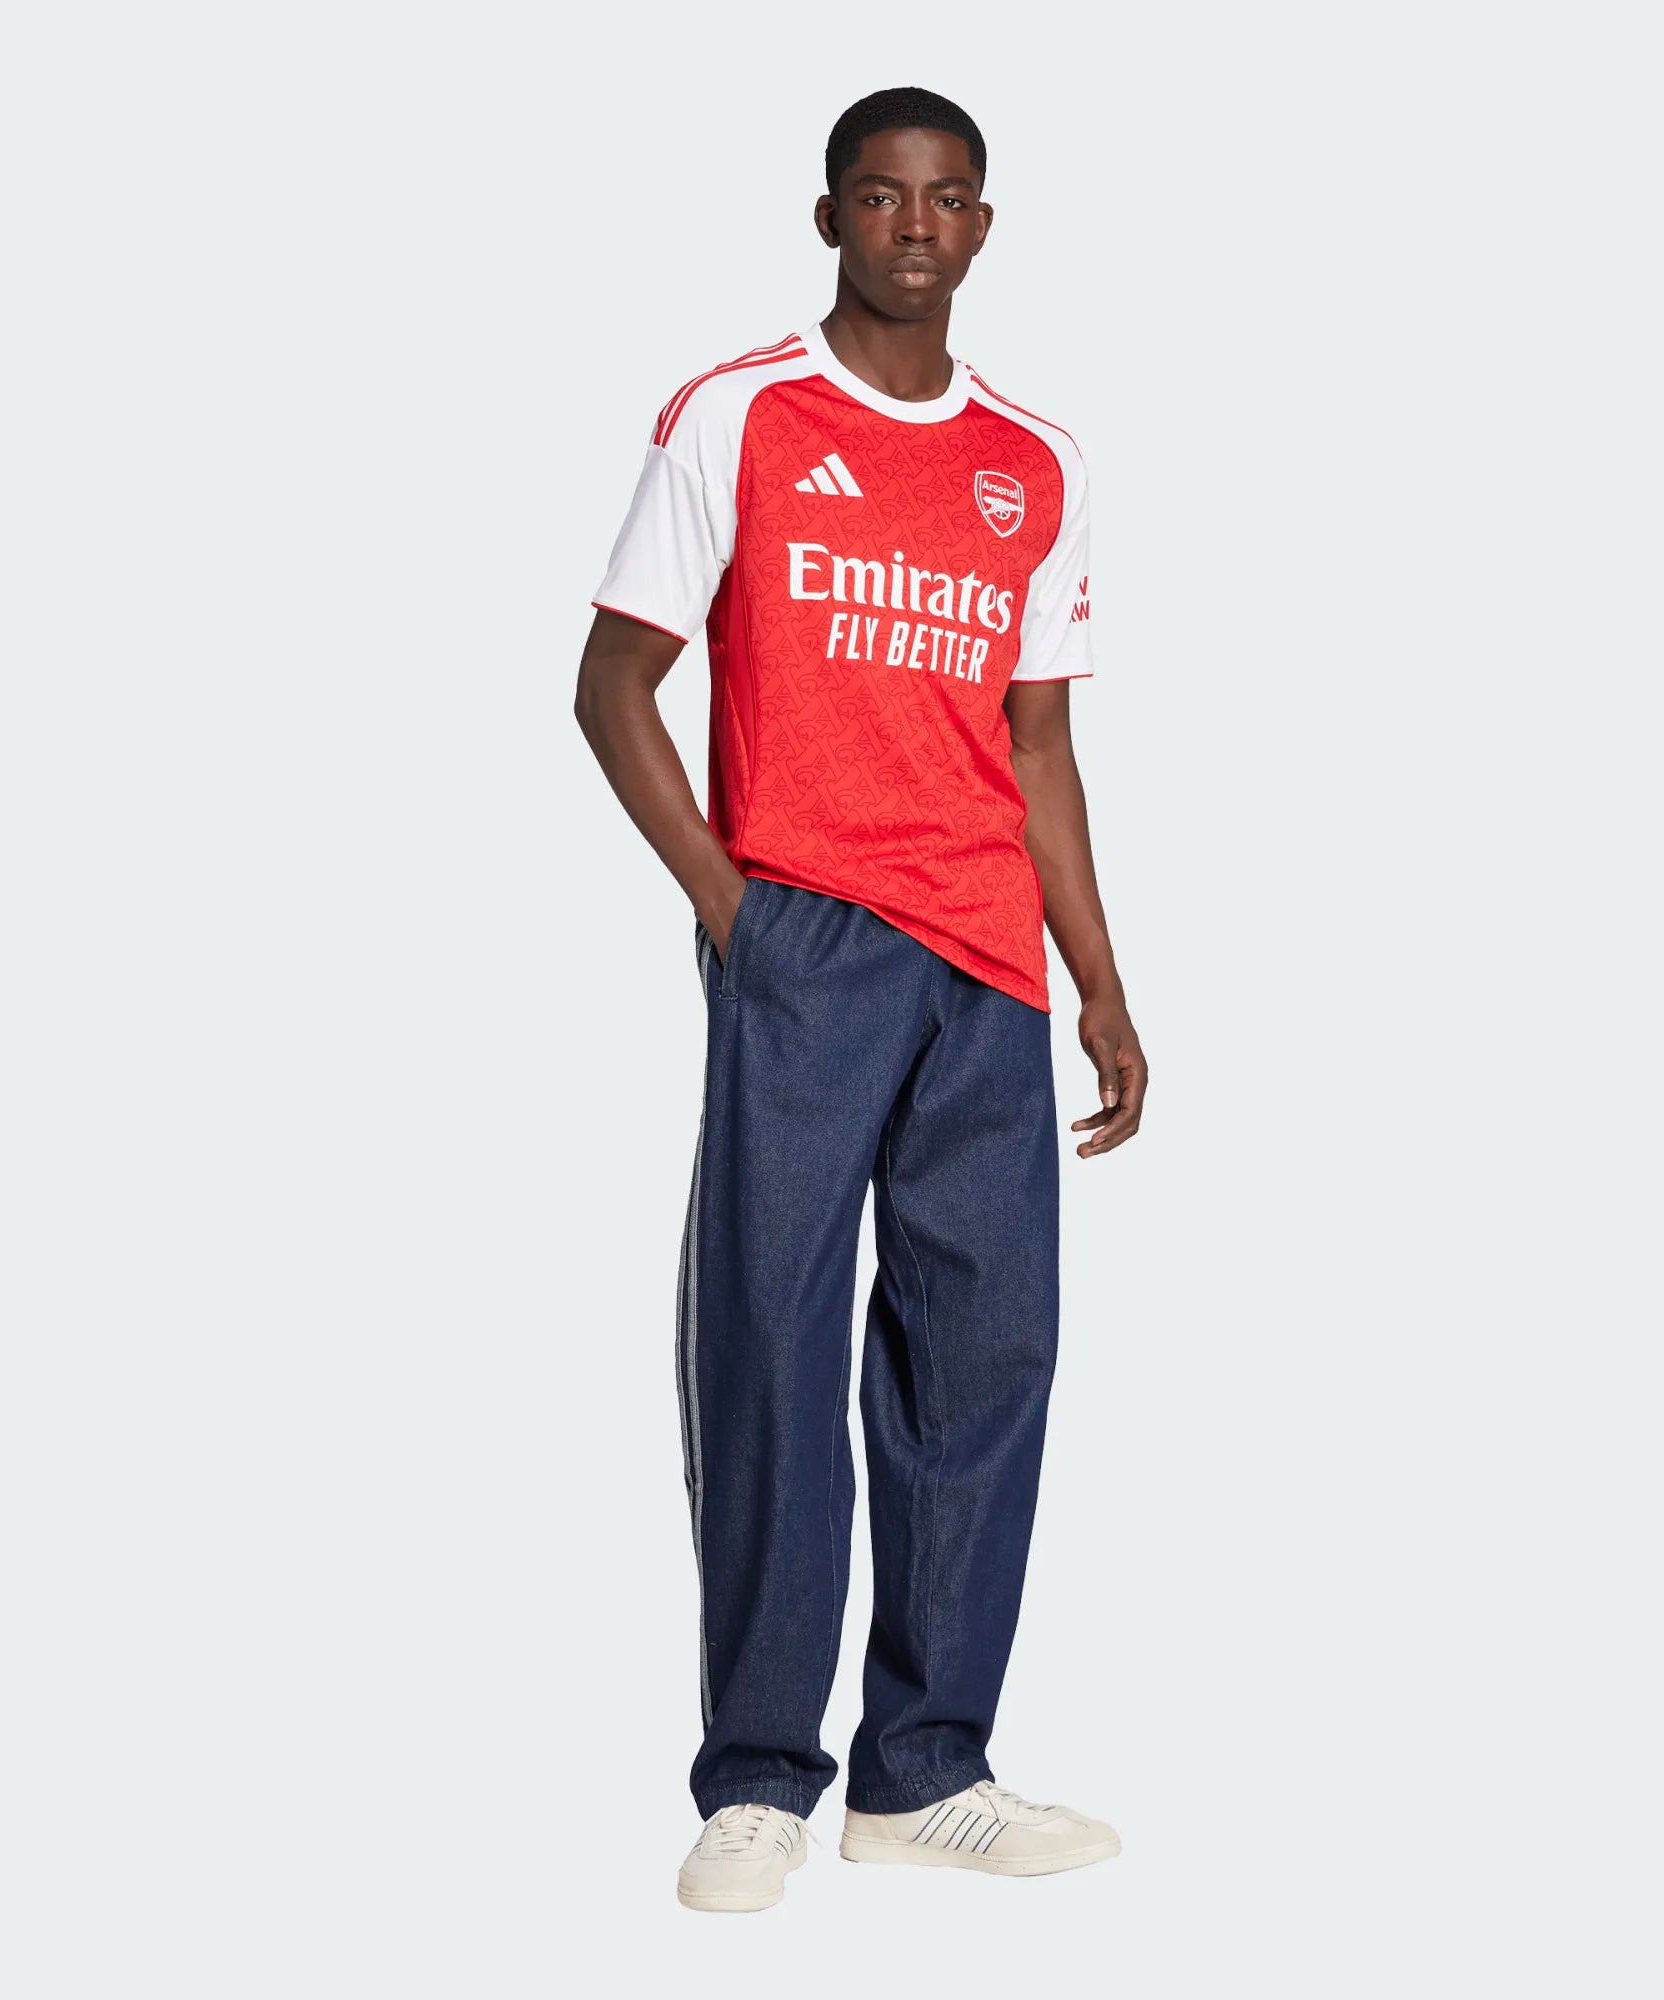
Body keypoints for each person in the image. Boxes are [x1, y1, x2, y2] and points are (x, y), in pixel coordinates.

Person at [574, 85, 1145, 1913]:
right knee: (769, 1340)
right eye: (883, 195)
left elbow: (1038, 746)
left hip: (985, 958)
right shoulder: (741, 415)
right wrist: (732, 910)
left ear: (984, 226)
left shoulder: (1034, 462)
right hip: (807, 941)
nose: (916, 224)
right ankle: (757, 1778)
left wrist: (1101, 981)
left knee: (985, 1357)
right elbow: (612, 683)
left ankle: (924, 1768)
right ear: (830, 216)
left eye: (948, 197)